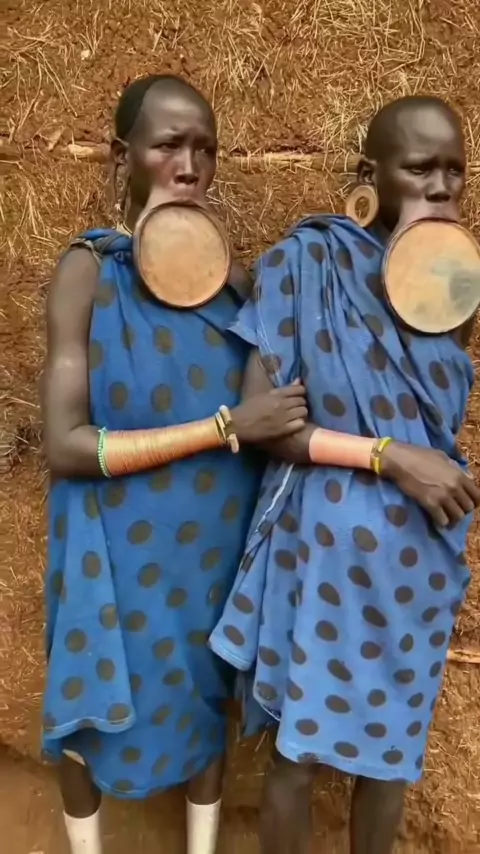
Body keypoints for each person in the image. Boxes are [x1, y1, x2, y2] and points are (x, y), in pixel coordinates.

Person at [40, 73, 308, 854]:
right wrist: (225, 427)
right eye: (168, 146)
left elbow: (276, 409)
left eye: (204, 149)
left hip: (209, 543)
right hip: (111, 541)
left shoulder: (236, 287)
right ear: (123, 156)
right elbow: (65, 445)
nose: (189, 166)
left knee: (203, 700)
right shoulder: (90, 271)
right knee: (88, 708)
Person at [209, 94, 480, 854]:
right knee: (298, 755)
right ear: (371, 175)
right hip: (323, 550)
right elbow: (267, 424)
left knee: (389, 760)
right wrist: (391, 457)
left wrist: (421, 465)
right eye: (419, 168)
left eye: (455, 171)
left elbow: (435, 414)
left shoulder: (457, 284)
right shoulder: (307, 264)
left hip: (416, 558)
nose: (440, 186)